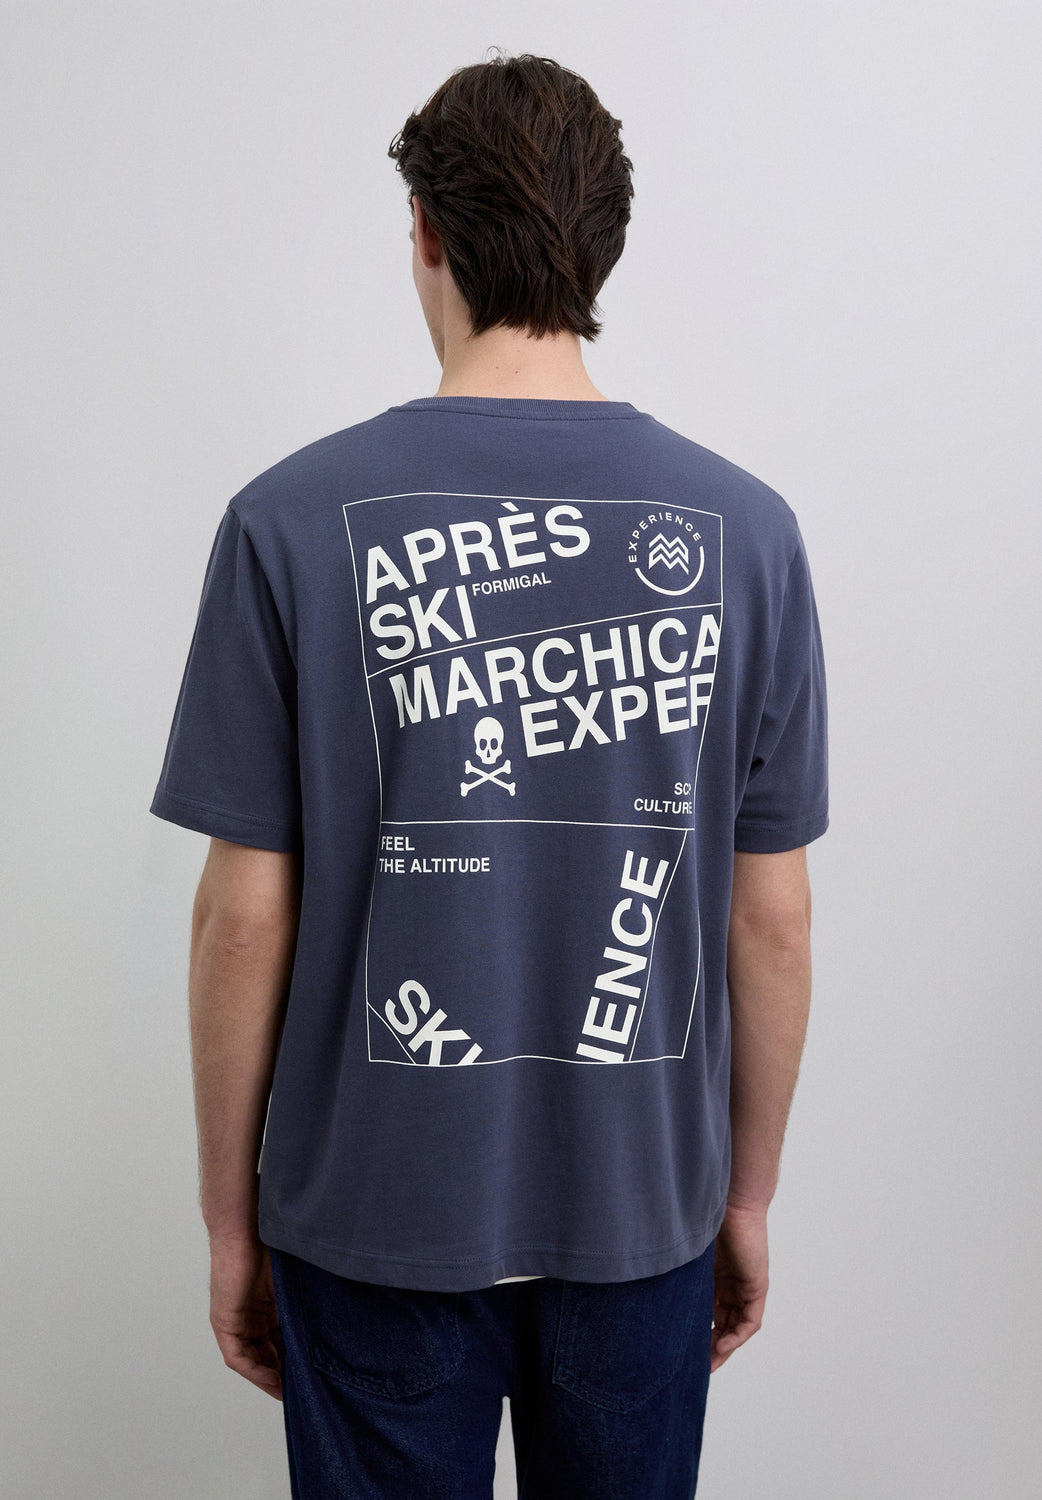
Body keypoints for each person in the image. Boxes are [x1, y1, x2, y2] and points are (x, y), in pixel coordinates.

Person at [150, 50, 828, 1500]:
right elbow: (771, 920)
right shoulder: (749, 534)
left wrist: (228, 1218)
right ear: (604, 247)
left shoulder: (289, 520)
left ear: (426, 233)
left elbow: (242, 918)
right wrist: (747, 1196)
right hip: (640, 1214)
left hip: (372, 1218)